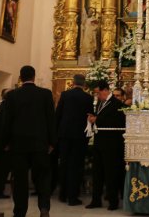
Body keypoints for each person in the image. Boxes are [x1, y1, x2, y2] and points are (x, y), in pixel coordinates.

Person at [1, 66, 56, 217]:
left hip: (18, 145)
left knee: (19, 180)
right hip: (40, 145)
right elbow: (51, 120)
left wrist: (5, 142)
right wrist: (52, 142)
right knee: (43, 178)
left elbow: (7, 121)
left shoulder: (12, 95)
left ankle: (19, 212)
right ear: (33, 76)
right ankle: (44, 208)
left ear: (21, 77)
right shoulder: (45, 94)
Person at [85, 81, 126, 211]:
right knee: (97, 173)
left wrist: (97, 120)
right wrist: (93, 119)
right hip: (99, 142)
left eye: (98, 93)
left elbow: (118, 122)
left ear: (105, 90)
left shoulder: (117, 104)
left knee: (110, 174)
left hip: (112, 144)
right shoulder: (100, 103)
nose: (97, 96)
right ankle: (96, 200)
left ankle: (113, 202)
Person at [55, 74, 93, 206]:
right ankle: (73, 197)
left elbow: (58, 114)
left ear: (73, 83)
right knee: (76, 166)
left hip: (65, 135)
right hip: (80, 136)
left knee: (64, 163)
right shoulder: (88, 97)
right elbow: (90, 117)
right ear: (84, 84)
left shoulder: (65, 95)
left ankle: (62, 194)